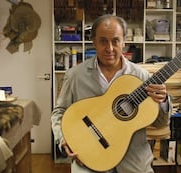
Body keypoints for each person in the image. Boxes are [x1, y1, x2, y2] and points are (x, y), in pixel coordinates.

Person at [51, 14, 172, 173]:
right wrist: (63, 139)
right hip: (89, 161)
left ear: (124, 42)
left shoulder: (142, 78)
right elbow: (59, 112)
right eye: (103, 41)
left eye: (115, 41)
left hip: (133, 163)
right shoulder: (75, 75)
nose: (109, 48)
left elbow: (160, 123)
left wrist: (163, 101)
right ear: (93, 41)